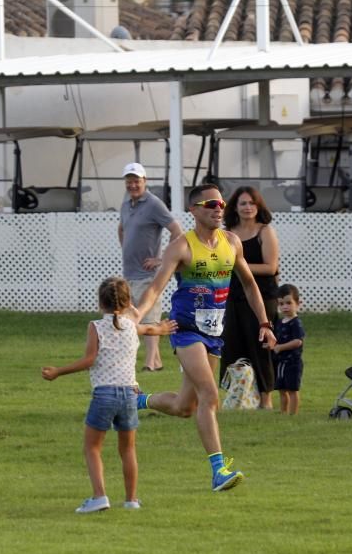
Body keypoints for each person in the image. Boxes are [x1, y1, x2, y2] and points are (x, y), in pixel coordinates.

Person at [134, 184, 276, 492]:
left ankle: (137, 400)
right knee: (211, 397)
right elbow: (156, 288)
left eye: (221, 203)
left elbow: (250, 286)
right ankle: (219, 471)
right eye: (210, 203)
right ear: (194, 210)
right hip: (185, 331)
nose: (218, 208)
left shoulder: (232, 242)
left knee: (186, 406)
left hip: (214, 334)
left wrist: (264, 322)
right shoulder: (181, 246)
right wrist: (137, 314)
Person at [41, 277, 177, 514]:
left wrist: (58, 372)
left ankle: (99, 496)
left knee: (92, 447)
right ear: (126, 303)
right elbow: (150, 329)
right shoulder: (132, 327)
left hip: (104, 394)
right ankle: (131, 499)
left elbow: (89, 360)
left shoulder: (95, 326)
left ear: (100, 303)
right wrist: (163, 329)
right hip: (129, 394)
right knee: (128, 450)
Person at [117, 162, 184, 373]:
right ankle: (155, 361)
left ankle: (151, 363)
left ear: (144, 181)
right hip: (130, 272)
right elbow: (122, 227)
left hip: (148, 274)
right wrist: (126, 247)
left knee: (150, 317)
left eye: (136, 181)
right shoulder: (126, 203)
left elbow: (176, 230)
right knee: (132, 315)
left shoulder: (154, 204)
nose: (133, 185)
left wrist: (162, 259)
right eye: (129, 181)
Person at [219, 186, 280, 410]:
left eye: (251, 203)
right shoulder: (227, 233)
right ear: (235, 207)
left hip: (261, 297)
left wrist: (238, 265)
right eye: (242, 203)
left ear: (258, 206)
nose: (247, 207)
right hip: (231, 296)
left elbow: (271, 267)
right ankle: (237, 395)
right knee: (231, 345)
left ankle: (266, 399)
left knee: (259, 347)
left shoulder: (265, 231)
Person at [272, 284, 304, 415]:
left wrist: (280, 347)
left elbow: (298, 341)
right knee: (281, 389)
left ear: (298, 303)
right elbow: (277, 340)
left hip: (293, 363)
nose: (285, 307)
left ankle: (293, 413)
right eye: (281, 304)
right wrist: (271, 345)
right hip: (281, 362)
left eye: (289, 303)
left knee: (292, 390)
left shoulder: (296, 323)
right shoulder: (279, 322)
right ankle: (283, 411)